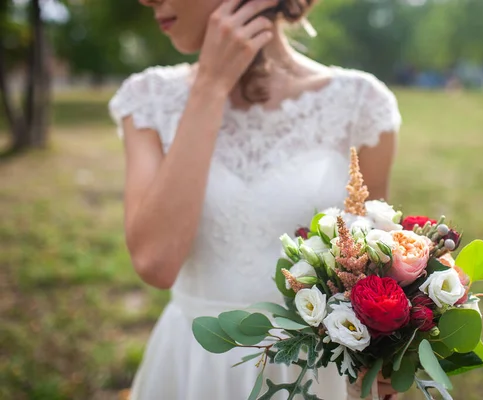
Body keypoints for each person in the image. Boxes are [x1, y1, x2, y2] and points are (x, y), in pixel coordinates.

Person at [108, 0, 401, 398]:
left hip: (319, 374)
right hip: (195, 366)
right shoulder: (146, 100)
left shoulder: (361, 103)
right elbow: (155, 263)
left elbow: (372, 266)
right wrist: (209, 87)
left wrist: (386, 355)